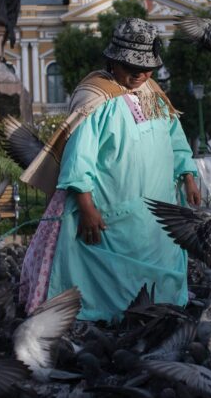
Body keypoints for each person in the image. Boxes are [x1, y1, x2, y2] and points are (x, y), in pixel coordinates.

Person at [18, 18, 200, 321]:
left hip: (156, 210)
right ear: (113, 61)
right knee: (104, 269)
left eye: (147, 69)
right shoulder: (95, 97)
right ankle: (100, 316)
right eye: (132, 68)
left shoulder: (153, 94)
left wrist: (189, 175)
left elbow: (176, 140)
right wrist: (86, 207)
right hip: (110, 209)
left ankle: (159, 310)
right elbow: (79, 157)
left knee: (157, 258)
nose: (140, 75)